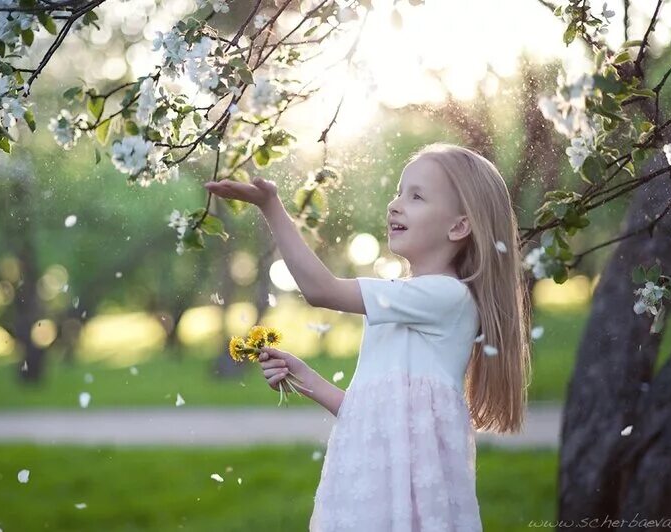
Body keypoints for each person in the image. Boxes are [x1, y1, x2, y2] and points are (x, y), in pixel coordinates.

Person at [203, 141, 532, 531]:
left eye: (417, 196)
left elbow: (320, 290)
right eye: (398, 192)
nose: (395, 204)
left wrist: (271, 207)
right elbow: (373, 412)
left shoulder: (447, 296)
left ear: (459, 226)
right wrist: (307, 378)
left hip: (403, 499)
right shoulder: (406, 301)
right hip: (369, 483)